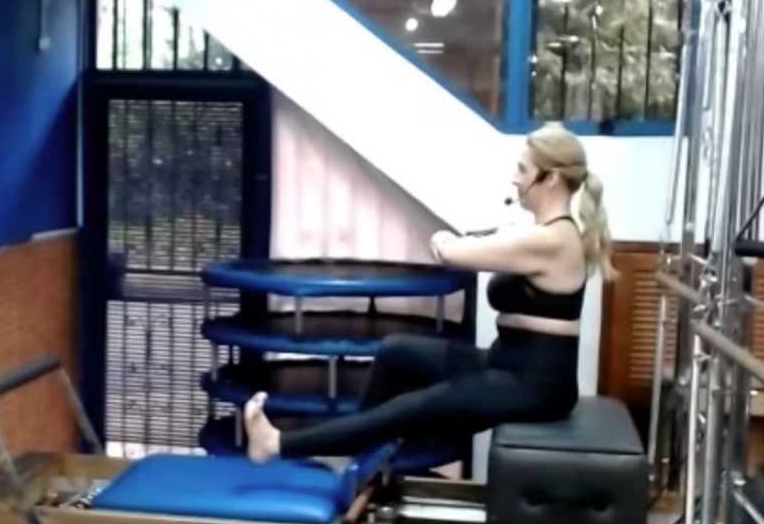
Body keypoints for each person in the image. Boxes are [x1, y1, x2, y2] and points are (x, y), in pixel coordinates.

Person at [243, 122, 617, 464]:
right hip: (505, 362)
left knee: (414, 407)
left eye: (522, 169)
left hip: (537, 386)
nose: (514, 179)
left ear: (549, 178)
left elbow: (452, 254)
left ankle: (276, 443)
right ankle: (363, 455)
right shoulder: (542, 235)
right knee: (397, 352)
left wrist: (443, 238)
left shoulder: (553, 240)